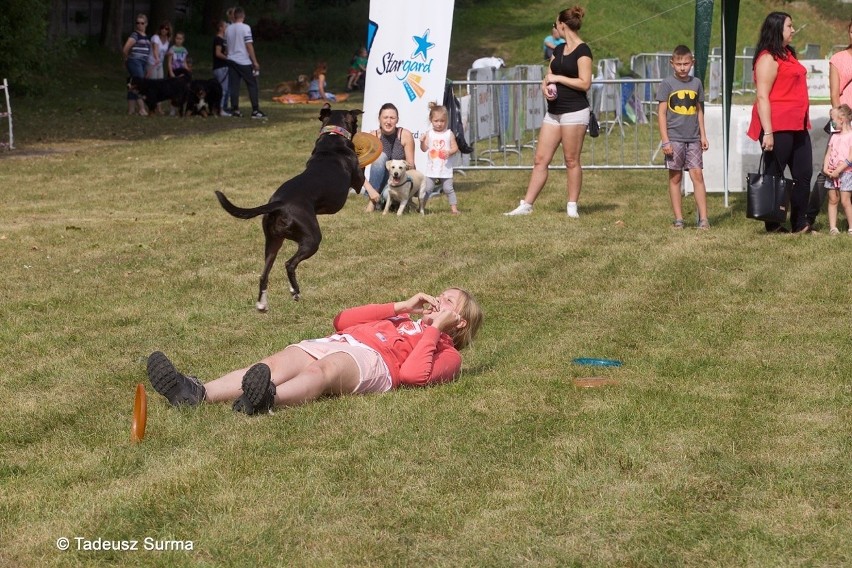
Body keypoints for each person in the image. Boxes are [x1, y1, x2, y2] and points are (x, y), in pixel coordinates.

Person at [146, 289, 483, 415]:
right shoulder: (402, 317)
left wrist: (435, 329)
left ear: (460, 322)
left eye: (449, 302)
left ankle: (267, 400)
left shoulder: (448, 353)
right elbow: (342, 320)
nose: (439, 301)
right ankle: (195, 393)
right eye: (441, 295)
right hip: (343, 340)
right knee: (275, 362)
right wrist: (401, 305)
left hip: (377, 362)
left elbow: (412, 375)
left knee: (326, 371)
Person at [505, 6, 592, 218]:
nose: (555, 27)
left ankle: (572, 205)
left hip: (574, 111)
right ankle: (527, 204)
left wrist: (559, 79)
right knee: (540, 159)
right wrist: (545, 87)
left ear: (563, 25)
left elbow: (585, 83)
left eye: (556, 24)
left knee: (571, 160)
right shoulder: (559, 50)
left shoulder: (583, 51)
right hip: (553, 112)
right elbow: (549, 75)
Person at [747, 11, 812, 233]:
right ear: (777, 29)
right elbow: (762, 96)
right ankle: (773, 224)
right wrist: (768, 132)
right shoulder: (767, 58)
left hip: (799, 124)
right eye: (789, 26)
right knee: (774, 175)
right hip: (777, 125)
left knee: (803, 174)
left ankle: (800, 223)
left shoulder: (787, 54)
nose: (793, 30)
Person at [655, 45, 710, 229]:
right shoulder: (667, 84)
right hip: (674, 138)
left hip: (693, 138)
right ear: (672, 64)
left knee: (697, 174)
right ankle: (679, 219)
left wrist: (703, 134)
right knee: (675, 177)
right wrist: (665, 140)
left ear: (692, 63)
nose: (682, 67)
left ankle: (703, 218)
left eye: (686, 63)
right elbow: (661, 113)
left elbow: (699, 110)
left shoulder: (696, 83)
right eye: (678, 64)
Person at [808, 18, 852, 228]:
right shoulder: (838, 58)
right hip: (844, 120)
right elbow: (834, 94)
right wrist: (842, 122)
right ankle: (810, 215)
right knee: (830, 166)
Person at [362, 103, 417, 212]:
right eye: (385, 117)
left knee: (388, 196)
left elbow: (411, 166)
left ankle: (400, 201)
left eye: (392, 118)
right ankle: (373, 201)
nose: (388, 121)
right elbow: (359, 169)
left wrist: (408, 190)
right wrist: (370, 190)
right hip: (379, 183)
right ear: (379, 119)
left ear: (397, 120)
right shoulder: (373, 137)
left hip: (399, 182)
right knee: (380, 157)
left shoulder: (405, 135)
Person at [225, 6, 266, 119]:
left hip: (231, 59)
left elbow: (226, 47)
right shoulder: (245, 28)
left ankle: (235, 109)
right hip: (243, 60)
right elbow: (249, 45)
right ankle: (255, 110)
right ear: (243, 16)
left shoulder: (228, 29)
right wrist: (255, 61)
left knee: (234, 86)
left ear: (234, 16)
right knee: (252, 84)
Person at [420, 102, 461, 214]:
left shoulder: (449, 134)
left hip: (445, 168)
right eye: (436, 121)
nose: (439, 124)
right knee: (427, 189)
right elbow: (424, 149)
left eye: (442, 121)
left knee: (448, 189)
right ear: (431, 120)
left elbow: (455, 148)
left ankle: (454, 209)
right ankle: (421, 208)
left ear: (446, 120)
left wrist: (450, 152)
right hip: (431, 169)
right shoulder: (429, 134)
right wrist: (422, 141)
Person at [820, 104, 852, 234]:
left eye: (832, 120)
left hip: (845, 173)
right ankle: (833, 228)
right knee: (833, 199)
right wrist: (826, 168)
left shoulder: (850, 136)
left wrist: (839, 170)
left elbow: (850, 157)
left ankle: (851, 227)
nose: (830, 123)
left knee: (845, 201)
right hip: (831, 173)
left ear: (842, 119)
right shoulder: (834, 136)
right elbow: (828, 153)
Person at [122, 13, 152, 116]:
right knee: (139, 84)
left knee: (133, 85)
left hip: (143, 63)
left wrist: (148, 67)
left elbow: (147, 54)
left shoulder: (147, 37)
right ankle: (142, 109)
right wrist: (126, 59)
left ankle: (131, 110)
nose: (139, 25)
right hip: (135, 61)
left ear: (146, 24)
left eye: (142, 23)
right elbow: (126, 48)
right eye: (137, 23)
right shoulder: (135, 35)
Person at [212, 20, 231, 116]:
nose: (227, 28)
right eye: (225, 26)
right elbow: (218, 53)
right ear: (220, 28)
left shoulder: (223, 40)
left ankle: (217, 108)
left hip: (223, 67)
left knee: (223, 88)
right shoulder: (218, 39)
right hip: (220, 67)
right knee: (222, 89)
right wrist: (228, 59)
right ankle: (220, 109)